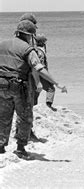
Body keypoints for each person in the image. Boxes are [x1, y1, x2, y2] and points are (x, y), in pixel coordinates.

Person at [0, 20, 63, 159]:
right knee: (25, 118)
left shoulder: (2, 44)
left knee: (3, 117)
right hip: (19, 86)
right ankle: (20, 148)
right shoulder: (27, 49)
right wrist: (56, 83)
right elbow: (38, 68)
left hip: (1, 85)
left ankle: (1, 146)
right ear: (30, 35)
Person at [34, 34, 67, 112]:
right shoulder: (40, 52)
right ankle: (48, 106)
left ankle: (34, 106)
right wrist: (48, 76)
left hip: (35, 74)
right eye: (44, 42)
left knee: (36, 91)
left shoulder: (34, 50)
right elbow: (41, 66)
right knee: (51, 89)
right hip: (41, 74)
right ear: (42, 43)